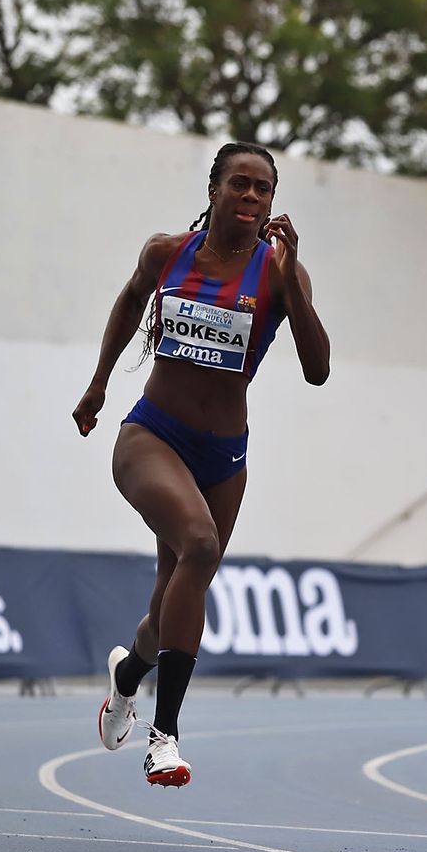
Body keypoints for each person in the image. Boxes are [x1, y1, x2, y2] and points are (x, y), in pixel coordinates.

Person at [73, 141, 330, 787]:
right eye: (240, 183)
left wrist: (292, 279)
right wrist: (99, 384)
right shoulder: (167, 252)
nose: (251, 196)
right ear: (214, 190)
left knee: (171, 602)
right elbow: (131, 301)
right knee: (200, 543)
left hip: (224, 457)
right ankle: (165, 737)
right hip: (152, 436)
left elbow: (318, 370)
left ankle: (128, 674)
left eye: (264, 189)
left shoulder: (280, 273)